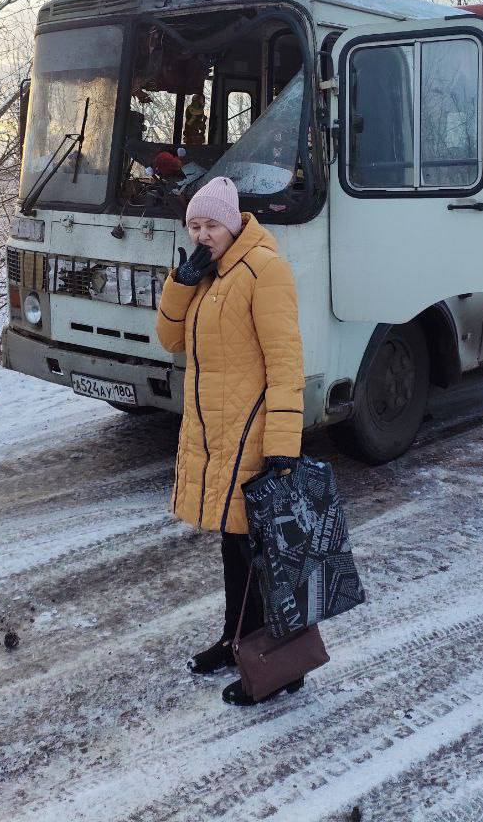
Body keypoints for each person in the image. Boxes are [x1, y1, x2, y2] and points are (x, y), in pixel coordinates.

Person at [156, 175, 305, 705]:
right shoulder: (204, 274)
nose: (202, 234)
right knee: (233, 544)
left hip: (255, 431)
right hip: (215, 431)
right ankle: (235, 640)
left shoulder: (265, 270)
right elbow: (170, 338)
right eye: (194, 225)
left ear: (235, 222)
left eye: (211, 224)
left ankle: (281, 665)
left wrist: (284, 446)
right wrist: (181, 279)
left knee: (261, 549)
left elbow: (286, 363)